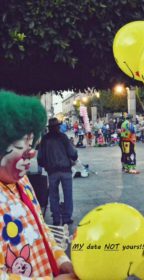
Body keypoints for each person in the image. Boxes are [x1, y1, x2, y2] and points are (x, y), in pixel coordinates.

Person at [0, 90, 76, 279]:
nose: (30, 153)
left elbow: (40, 228)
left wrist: (62, 261)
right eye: (20, 146)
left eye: (31, 144)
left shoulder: (22, 181)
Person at [37, 118, 78, 226]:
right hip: (65, 170)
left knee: (53, 195)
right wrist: (74, 156)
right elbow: (72, 152)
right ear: (58, 127)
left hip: (52, 171)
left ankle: (56, 218)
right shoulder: (63, 137)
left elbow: (40, 157)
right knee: (68, 195)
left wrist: (45, 165)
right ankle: (66, 218)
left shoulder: (45, 139)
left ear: (49, 128)